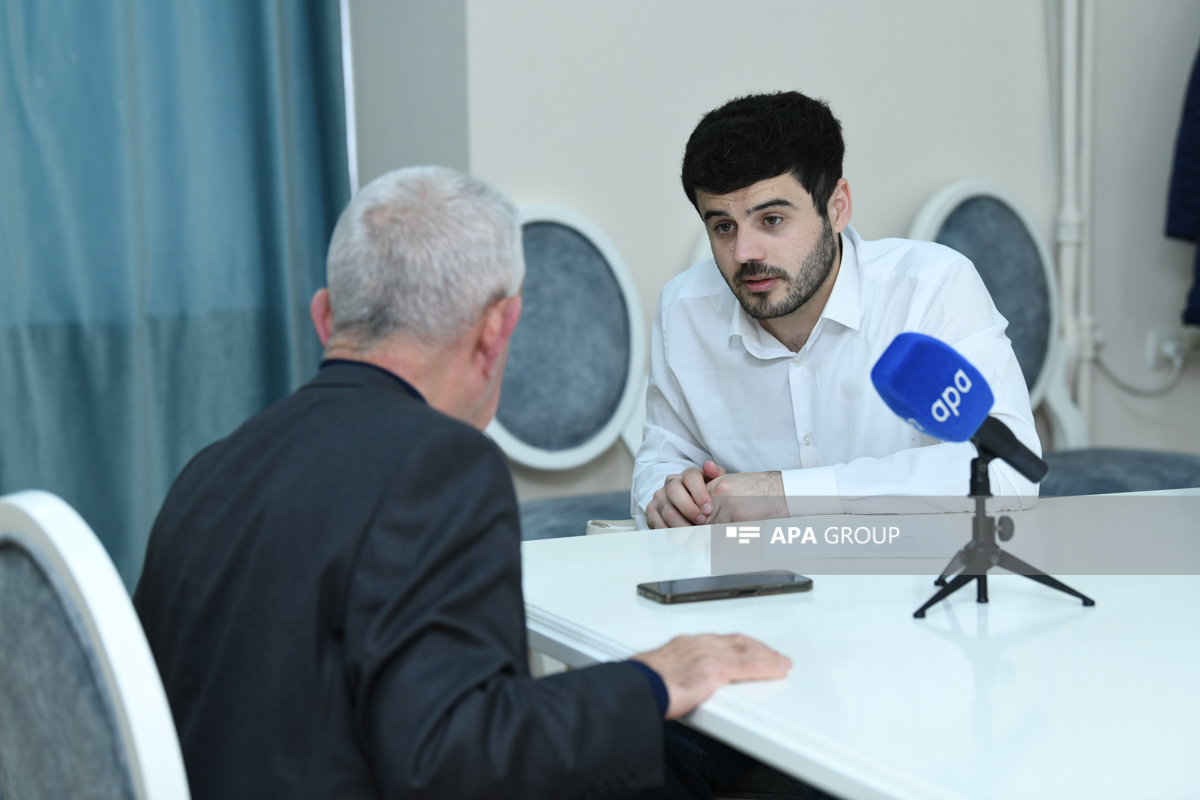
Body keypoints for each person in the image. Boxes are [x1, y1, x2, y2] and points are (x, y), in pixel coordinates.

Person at [133, 166, 793, 800]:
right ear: (497, 329)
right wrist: (653, 680)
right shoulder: (439, 464)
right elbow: (462, 760)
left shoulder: (210, 470)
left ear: (326, 317)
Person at [634, 92, 1041, 529]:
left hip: (911, 563)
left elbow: (1008, 472)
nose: (744, 252)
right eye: (723, 226)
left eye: (771, 220)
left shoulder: (931, 287)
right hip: (757, 568)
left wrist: (785, 495)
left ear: (837, 207)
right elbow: (660, 465)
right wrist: (672, 496)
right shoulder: (684, 310)